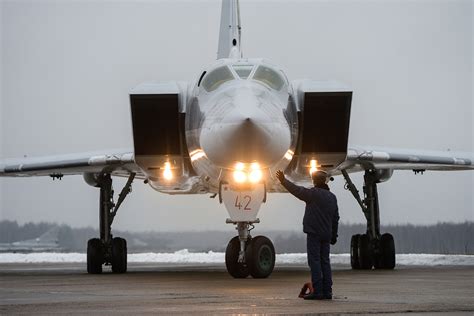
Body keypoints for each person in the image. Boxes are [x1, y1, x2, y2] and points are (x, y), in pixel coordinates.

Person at [276, 169, 339, 300]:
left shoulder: (313, 194)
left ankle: (318, 291)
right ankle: (328, 291)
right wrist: (334, 235)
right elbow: (335, 218)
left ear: (314, 181)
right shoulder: (332, 197)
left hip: (314, 234)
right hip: (326, 235)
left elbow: (297, 190)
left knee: (314, 261)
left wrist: (283, 181)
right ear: (325, 181)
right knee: (325, 262)